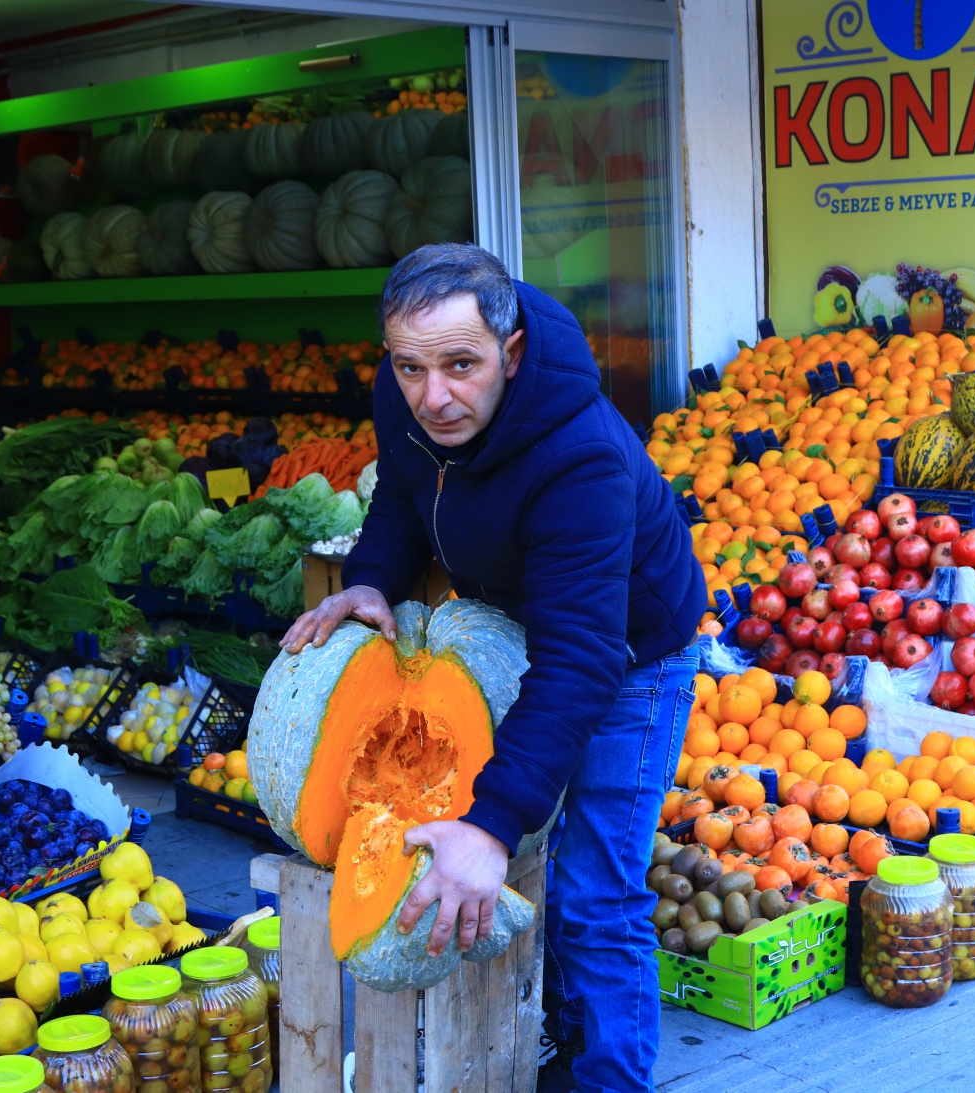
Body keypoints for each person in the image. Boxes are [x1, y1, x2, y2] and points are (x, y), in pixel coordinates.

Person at [282, 243, 705, 1092]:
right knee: (528, 867)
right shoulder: (405, 401)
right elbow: (403, 494)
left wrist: (489, 822)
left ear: (510, 354)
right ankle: (549, 1042)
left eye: (460, 365)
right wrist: (369, 581)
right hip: (522, 631)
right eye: (409, 367)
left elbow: (582, 661)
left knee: (594, 890)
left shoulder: (579, 455)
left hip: (631, 654)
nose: (432, 396)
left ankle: (612, 1080)